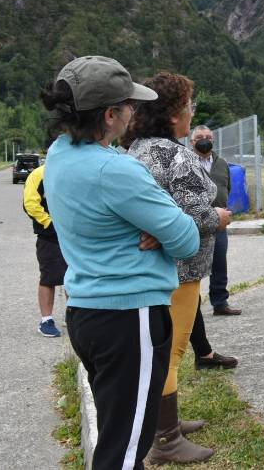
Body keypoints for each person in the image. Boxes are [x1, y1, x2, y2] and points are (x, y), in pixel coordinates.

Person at [42, 55, 200, 469]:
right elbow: (185, 239)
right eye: (129, 105)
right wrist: (163, 227)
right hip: (129, 318)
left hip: (86, 312)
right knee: (125, 450)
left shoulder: (58, 155)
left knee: (120, 431)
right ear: (110, 114)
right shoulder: (116, 170)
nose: (135, 111)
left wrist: (151, 227)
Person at [126, 72, 232, 465]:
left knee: (162, 349)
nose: (193, 114)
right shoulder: (177, 155)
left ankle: (164, 419)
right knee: (170, 352)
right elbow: (193, 213)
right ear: (173, 115)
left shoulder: (138, 148)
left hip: (154, 269)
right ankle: (166, 438)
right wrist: (220, 216)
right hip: (181, 271)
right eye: (189, 106)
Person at [189, 125, 241, 316]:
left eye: (208, 137)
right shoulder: (186, 162)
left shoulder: (222, 163)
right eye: (200, 137)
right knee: (192, 264)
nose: (205, 140)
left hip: (218, 223)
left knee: (220, 263)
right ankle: (191, 306)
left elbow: (226, 187)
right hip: (193, 222)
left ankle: (220, 303)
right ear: (191, 142)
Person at [23, 162, 68, 337]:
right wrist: (50, 223)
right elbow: (30, 203)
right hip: (49, 236)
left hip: (75, 235)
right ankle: (46, 320)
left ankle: (72, 315)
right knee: (49, 277)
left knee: (75, 276)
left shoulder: (74, 171)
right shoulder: (39, 174)